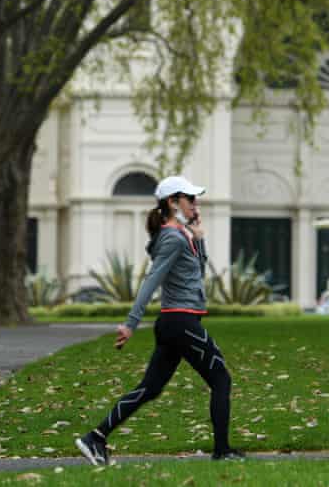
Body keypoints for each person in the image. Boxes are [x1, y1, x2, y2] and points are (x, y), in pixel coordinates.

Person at [75, 176, 242, 466]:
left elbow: (196, 275)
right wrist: (131, 322)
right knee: (221, 379)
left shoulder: (180, 236)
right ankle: (222, 451)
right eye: (190, 199)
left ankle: (96, 438)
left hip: (175, 324)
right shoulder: (172, 238)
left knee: (149, 389)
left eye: (195, 199)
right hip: (181, 323)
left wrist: (199, 239)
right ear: (172, 202)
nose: (195, 204)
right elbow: (152, 280)